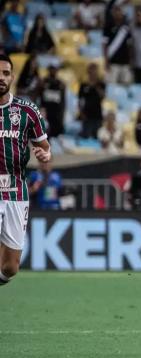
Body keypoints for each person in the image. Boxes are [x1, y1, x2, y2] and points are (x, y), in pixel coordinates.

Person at [0, 54, 52, 287]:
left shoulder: (26, 110)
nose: (1, 78)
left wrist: (45, 155)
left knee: (10, 267)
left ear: (11, 77)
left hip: (16, 191)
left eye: (5, 73)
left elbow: (45, 148)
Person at [103, 5, 133, 84]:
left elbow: (130, 46)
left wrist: (130, 61)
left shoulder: (126, 28)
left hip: (125, 62)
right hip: (113, 62)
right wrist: (106, 61)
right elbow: (104, 45)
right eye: (115, 11)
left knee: (126, 84)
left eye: (119, 11)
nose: (117, 13)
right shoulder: (108, 27)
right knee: (112, 84)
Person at [78, 63, 106, 139]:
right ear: (88, 72)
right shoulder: (84, 85)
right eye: (91, 70)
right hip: (86, 115)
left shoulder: (101, 84)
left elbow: (102, 96)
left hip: (97, 115)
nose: (93, 73)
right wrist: (81, 112)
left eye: (95, 71)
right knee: (85, 137)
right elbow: (80, 100)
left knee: (97, 137)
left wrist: (95, 85)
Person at [39, 64, 66, 138]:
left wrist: (62, 112)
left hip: (56, 111)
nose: (53, 71)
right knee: (45, 130)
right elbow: (40, 96)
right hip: (46, 110)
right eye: (51, 69)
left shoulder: (60, 84)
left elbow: (63, 100)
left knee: (56, 131)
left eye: (55, 69)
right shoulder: (43, 82)